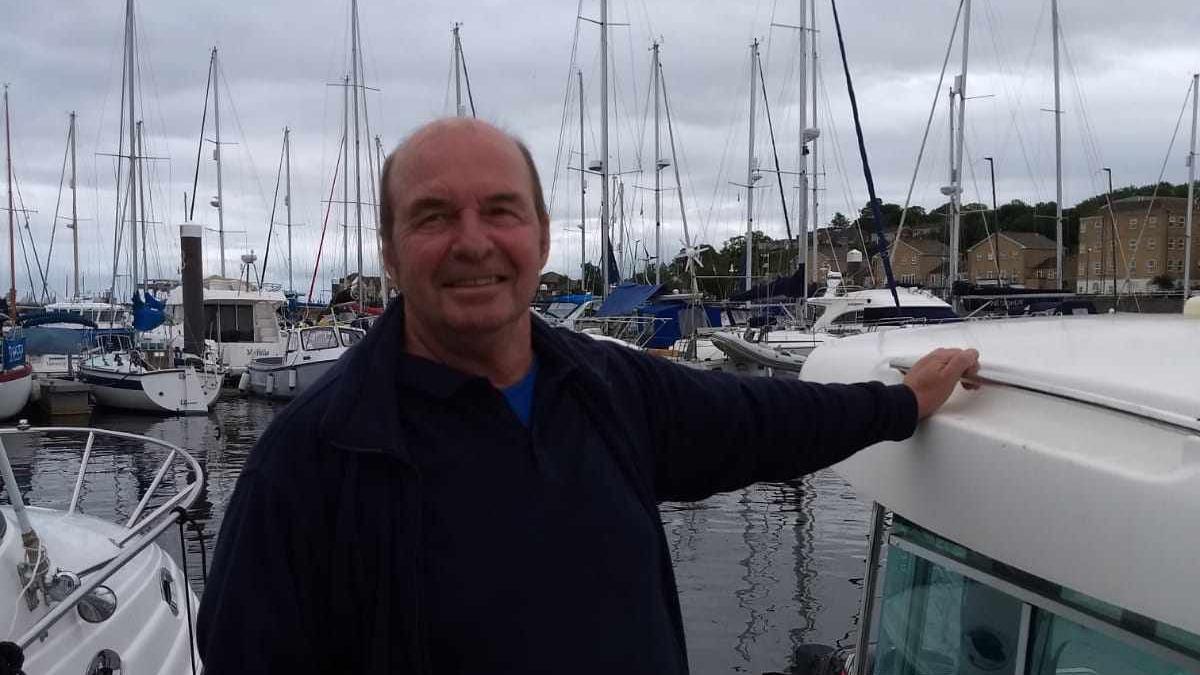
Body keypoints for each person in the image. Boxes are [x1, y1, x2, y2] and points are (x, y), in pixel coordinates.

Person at [197, 118, 979, 674]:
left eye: (500, 210)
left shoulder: (604, 386)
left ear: (539, 235)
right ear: (391, 251)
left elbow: (764, 421)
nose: (473, 240)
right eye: (434, 215)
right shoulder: (310, 461)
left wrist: (901, 403)